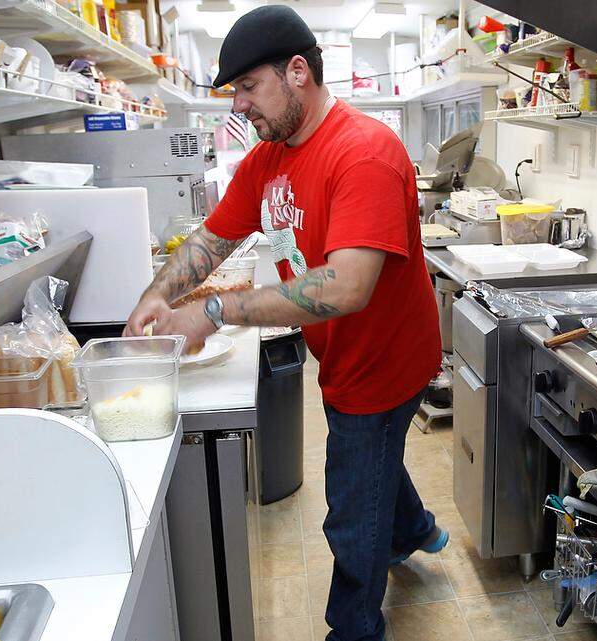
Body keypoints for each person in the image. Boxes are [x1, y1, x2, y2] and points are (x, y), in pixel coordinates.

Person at [123, 6, 446, 640]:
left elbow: (348, 286)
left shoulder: (365, 153)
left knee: (351, 514)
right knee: (376, 466)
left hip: (385, 362)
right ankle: (417, 529)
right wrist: (157, 294)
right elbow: (212, 240)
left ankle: (354, 629)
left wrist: (214, 311)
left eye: (248, 87)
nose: (240, 105)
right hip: (343, 355)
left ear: (297, 72)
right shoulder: (268, 159)